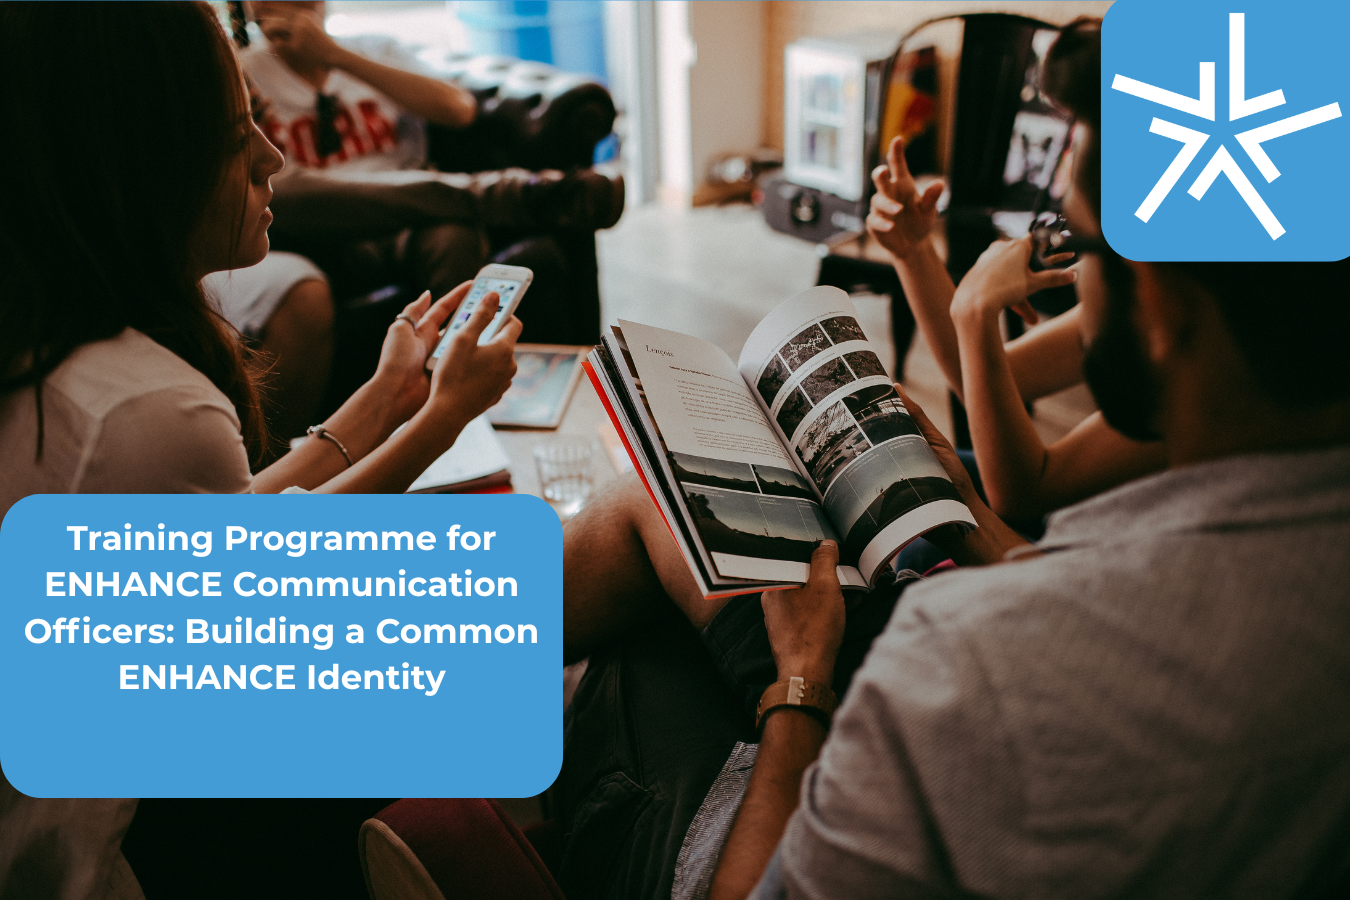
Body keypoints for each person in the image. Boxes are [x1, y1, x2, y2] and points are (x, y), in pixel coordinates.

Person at [551, 17, 1350, 900]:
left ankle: (439, 699)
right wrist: (983, 525)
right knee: (677, 568)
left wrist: (801, 682)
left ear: (1161, 303)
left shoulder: (962, 665)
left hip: (833, 758)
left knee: (652, 559)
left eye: (1083, 242)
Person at [0, 3, 518, 897]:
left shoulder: (61, 347)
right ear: (139, 163)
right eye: (239, 136)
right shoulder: (141, 408)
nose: (275, 159)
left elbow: (233, 535)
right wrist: (438, 420)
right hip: (111, 851)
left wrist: (387, 400)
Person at [866, 27, 1165, 523]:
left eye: (1080, 234)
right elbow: (986, 376)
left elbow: (1029, 493)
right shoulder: (1160, 289)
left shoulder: (1214, 374)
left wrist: (975, 309)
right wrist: (914, 252)